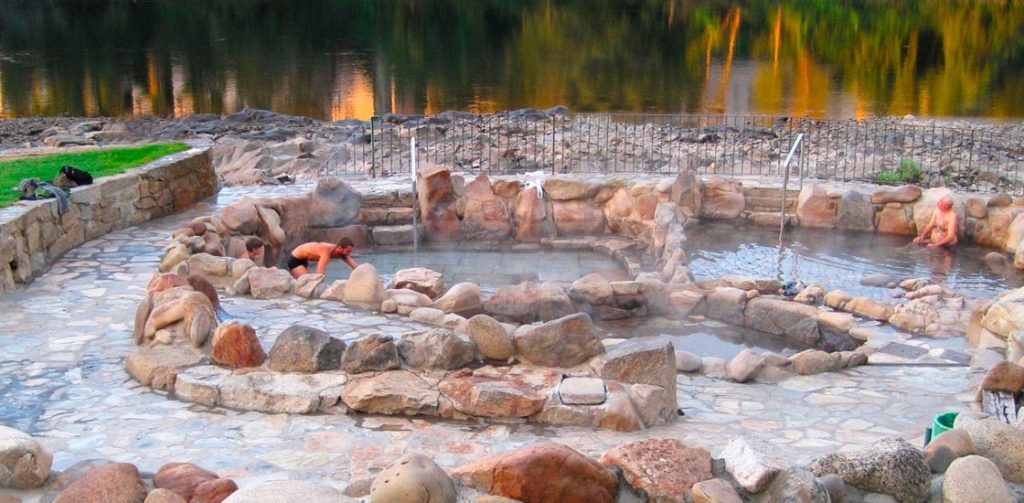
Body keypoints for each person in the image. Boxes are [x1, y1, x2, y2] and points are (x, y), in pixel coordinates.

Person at [288, 238, 357, 278]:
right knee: (308, 283)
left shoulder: (340, 252)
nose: (349, 253)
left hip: (304, 260)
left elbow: (356, 266)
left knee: (307, 282)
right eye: (348, 251)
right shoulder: (326, 252)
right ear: (339, 248)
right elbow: (319, 274)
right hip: (295, 259)